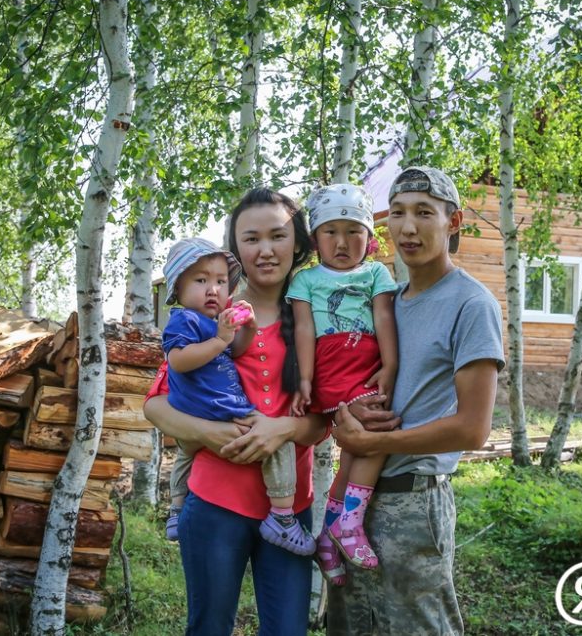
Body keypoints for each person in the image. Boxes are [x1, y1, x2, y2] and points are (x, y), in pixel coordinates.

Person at [144, 188, 398, 636]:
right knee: (209, 626)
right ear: (236, 249)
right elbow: (156, 404)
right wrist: (209, 433)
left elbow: (325, 418)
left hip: (290, 510)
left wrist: (283, 427)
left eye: (278, 236)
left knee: (287, 630)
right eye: (251, 238)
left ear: (298, 243)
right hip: (215, 500)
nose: (266, 250)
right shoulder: (213, 315)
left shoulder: (316, 315)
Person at [326, 166, 505, 636]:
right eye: (398, 214)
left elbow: (473, 428)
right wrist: (351, 412)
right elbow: (355, 383)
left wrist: (372, 442)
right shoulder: (382, 302)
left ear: (454, 222)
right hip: (352, 503)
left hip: (413, 502)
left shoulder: (471, 304)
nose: (407, 228)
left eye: (424, 213)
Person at [159, 237, 315, 556]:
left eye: (220, 281)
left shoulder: (214, 322)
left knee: (185, 454)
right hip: (220, 411)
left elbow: (237, 349)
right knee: (278, 442)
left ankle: (176, 509)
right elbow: (177, 360)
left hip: (203, 412)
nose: (213, 289)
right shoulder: (184, 319)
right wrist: (218, 341)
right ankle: (283, 517)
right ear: (177, 289)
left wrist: (248, 329)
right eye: (201, 280)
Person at [287, 184, 398, 581]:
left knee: (353, 451)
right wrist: (304, 379)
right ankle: (350, 523)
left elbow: (384, 318)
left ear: (369, 237)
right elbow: (303, 329)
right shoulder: (305, 280)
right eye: (331, 231)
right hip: (331, 370)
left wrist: (390, 364)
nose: (342, 241)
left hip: (367, 367)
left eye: (354, 231)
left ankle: (330, 533)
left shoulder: (375, 273)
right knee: (373, 437)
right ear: (315, 237)